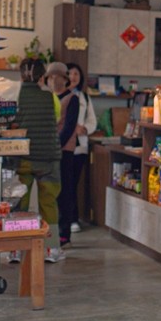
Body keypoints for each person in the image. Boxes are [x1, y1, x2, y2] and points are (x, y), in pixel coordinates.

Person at [10, 57, 63, 264]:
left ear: (21, 75)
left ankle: (16, 249)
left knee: (19, 203)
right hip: (49, 158)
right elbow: (56, 119)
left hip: (23, 157)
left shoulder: (15, 95)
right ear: (43, 76)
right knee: (48, 203)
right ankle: (51, 250)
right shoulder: (52, 97)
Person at [47, 62, 80, 248]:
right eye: (49, 77)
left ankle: (64, 232)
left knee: (65, 191)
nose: (52, 80)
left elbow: (69, 127)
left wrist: (55, 144)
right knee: (52, 191)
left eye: (55, 76)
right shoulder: (48, 97)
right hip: (50, 150)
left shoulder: (71, 98)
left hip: (65, 150)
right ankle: (53, 229)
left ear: (63, 78)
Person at [66, 63, 97, 234]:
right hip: (64, 145)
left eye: (76, 73)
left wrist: (84, 128)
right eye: (69, 73)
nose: (73, 77)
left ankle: (73, 219)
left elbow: (92, 120)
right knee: (66, 183)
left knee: (73, 183)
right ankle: (68, 218)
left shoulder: (84, 96)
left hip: (80, 147)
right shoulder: (59, 95)